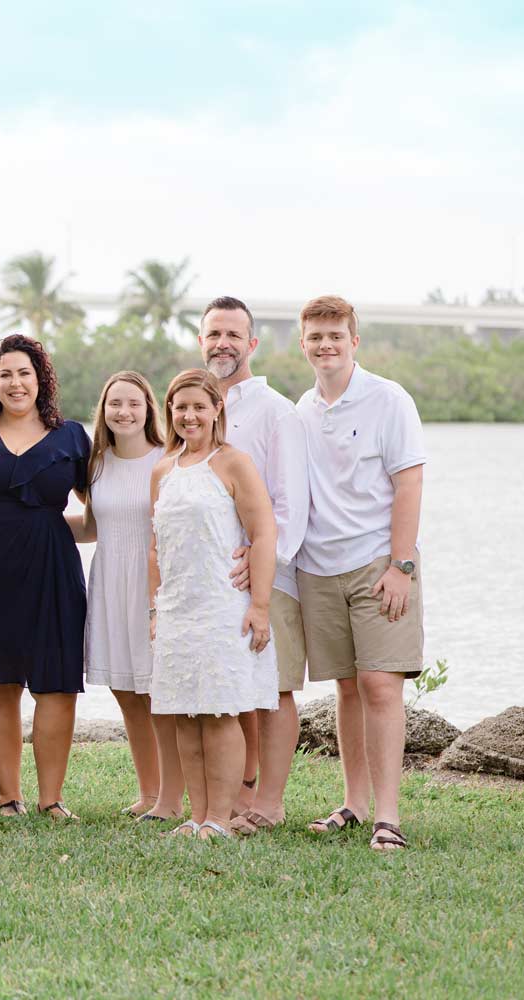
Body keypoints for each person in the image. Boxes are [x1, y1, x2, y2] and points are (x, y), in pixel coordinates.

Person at [0, 334, 91, 819]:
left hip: (51, 569)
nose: (15, 382)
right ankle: (10, 797)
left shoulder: (71, 436)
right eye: (4, 373)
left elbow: (100, 510)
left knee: (57, 684)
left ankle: (52, 800)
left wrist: (49, 528)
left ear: (40, 378)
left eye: (24, 372)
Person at [295, 296, 425, 851]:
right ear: (303, 344)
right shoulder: (302, 407)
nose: (326, 344)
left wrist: (402, 565)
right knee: (346, 687)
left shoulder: (388, 399)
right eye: (316, 336)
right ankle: (353, 804)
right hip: (318, 566)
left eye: (336, 335)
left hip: (378, 563)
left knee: (380, 684)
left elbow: (410, 482)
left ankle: (388, 818)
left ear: (355, 341)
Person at [148, 370, 277, 840]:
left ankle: (220, 820)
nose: (189, 415)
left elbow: (263, 535)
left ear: (216, 409)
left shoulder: (233, 463)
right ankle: (197, 814)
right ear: (170, 412)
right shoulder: (162, 470)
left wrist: (259, 605)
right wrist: (154, 610)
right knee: (186, 713)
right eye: (180, 407)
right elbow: (155, 549)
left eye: (199, 406)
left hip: (223, 605)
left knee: (220, 712)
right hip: (177, 607)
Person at [198, 297, 311, 834]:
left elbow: (291, 503)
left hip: (266, 572)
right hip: (211, 574)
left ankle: (270, 800)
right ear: (202, 341)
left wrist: (262, 560)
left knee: (275, 686)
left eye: (233, 334)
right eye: (214, 333)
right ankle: (241, 792)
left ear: (252, 343)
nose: (223, 343)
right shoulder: (198, 405)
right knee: (234, 683)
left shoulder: (275, 411)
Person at [70, 372, 174, 821]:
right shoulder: (96, 464)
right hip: (110, 578)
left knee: (158, 692)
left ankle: (171, 796)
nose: (124, 412)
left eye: (134, 403)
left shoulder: (168, 459)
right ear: (103, 409)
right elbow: (93, 528)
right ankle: (148, 792)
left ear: (149, 408)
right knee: (126, 690)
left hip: (154, 583)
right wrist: (34, 523)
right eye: (115, 403)